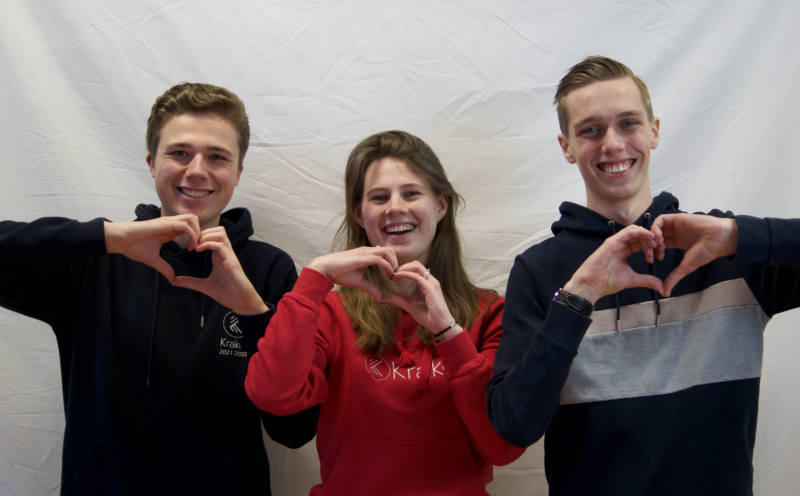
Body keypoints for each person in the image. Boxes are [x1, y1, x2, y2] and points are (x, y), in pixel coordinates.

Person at [486, 56, 800, 496]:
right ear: (567, 147)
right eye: (591, 129)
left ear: (654, 130)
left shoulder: (723, 249)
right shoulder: (540, 271)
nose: (613, 144)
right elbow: (514, 424)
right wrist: (577, 297)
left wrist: (738, 234)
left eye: (628, 123)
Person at [0, 82, 318, 496]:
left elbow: (294, 430)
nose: (197, 170)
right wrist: (106, 237)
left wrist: (255, 315)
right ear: (152, 163)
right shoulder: (97, 262)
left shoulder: (269, 269)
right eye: (180, 153)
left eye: (217, 156)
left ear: (238, 172)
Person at [180, 130, 525, 495]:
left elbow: (502, 446)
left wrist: (450, 334)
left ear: (440, 205)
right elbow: (273, 396)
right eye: (379, 197)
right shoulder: (330, 311)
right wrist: (314, 279)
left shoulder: (491, 314)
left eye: (411, 193)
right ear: (360, 214)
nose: (395, 207)